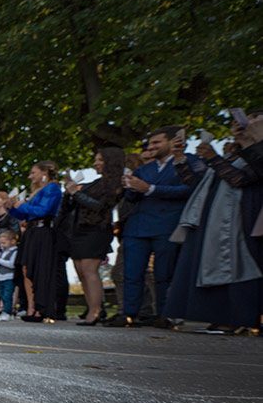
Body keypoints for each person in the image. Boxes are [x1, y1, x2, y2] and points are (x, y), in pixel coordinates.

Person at [165, 113, 263, 333]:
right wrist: (180, 158)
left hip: (241, 215)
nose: (246, 123)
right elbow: (197, 183)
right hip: (215, 216)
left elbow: (240, 179)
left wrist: (212, 157)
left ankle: (241, 317)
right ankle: (221, 315)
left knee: (239, 264)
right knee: (214, 264)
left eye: (255, 118)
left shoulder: (256, 154)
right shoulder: (233, 154)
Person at [110, 126, 192, 328]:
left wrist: (151, 189)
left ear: (172, 142)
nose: (151, 147)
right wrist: (129, 186)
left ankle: (166, 314)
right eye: (150, 143)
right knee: (131, 273)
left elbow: (188, 190)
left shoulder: (186, 163)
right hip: (138, 226)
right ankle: (129, 314)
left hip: (167, 224)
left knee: (164, 273)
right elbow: (132, 197)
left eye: (157, 142)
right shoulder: (144, 169)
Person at [61, 148, 125, 325]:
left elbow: (99, 206)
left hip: (96, 229)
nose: (96, 163)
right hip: (79, 229)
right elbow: (73, 204)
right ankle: (92, 308)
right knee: (81, 272)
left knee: (89, 270)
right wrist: (70, 191)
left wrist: (76, 193)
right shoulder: (94, 183)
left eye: (100, 160)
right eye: (96, 160)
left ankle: (95, 311)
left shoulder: (115, 184)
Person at [8, 161, 63, 323]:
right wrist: (12, 208)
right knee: (26, 268)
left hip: (43, 232)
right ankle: (31, 307)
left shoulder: (52, 188)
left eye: (33, 173)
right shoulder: (36, 191)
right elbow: (24, 215)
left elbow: (43, 210)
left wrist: (22, 206)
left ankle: (41, 308)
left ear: (44, 173)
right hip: (31, 232)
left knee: (40, 269)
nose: (30, 176)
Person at [0, 230, 19, 320]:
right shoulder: (1, 252)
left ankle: (7, 312)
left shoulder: (14, 251)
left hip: (9, 276)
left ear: (13, 241)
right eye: (0, 243)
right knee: (2, 295)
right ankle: (5, 311)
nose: (2, 245)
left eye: (4, 243)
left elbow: (12, 264)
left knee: (8, 295)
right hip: (0, 277)